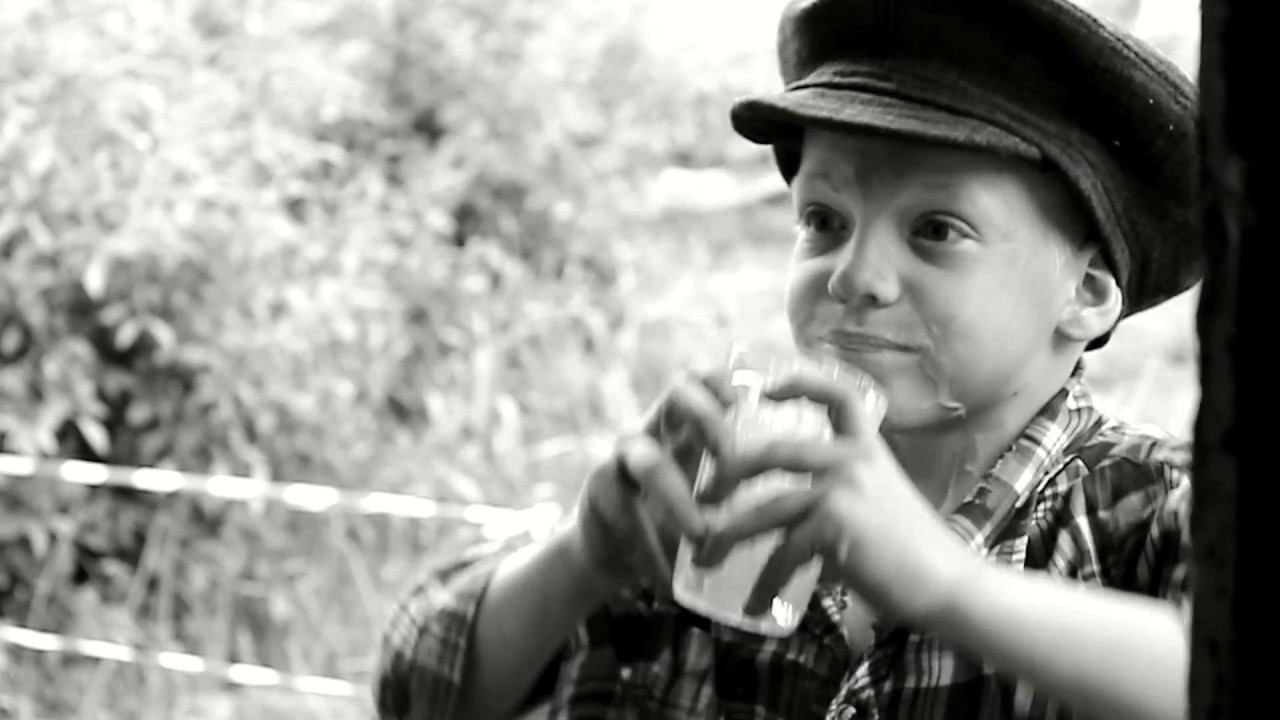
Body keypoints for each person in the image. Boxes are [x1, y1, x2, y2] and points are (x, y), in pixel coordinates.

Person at [374, 0, 1201, 718]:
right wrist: (586, 557)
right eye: (824, 221)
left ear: (1088, 291)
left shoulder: (1149, 510)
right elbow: (418, 689)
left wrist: (948, 586)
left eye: (936, 230)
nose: (854, 275)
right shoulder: (732, 501)